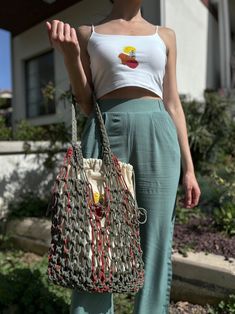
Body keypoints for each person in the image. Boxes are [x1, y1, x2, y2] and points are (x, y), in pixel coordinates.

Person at [46, 0, 201, 313]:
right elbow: (87, 103)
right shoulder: (89, 33)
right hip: (105, 129)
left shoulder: (165, 35)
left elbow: (172, 103)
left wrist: (190, 168)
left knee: (155, 236)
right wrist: (71, 57)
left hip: (158, 132)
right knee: (97, 235)